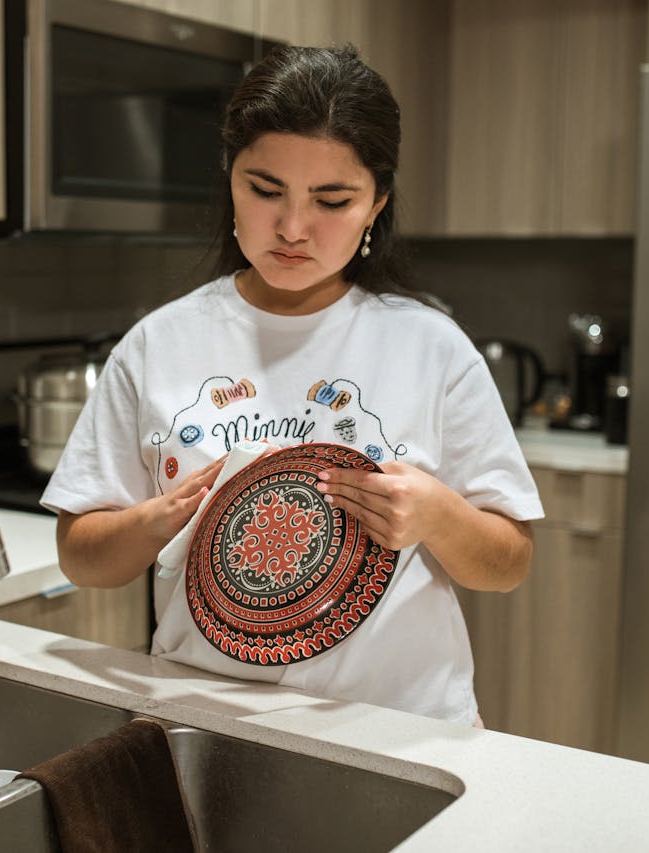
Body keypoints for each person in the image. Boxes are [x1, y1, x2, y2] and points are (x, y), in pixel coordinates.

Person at [41, 44, 543, 726]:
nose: (293, 227)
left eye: (332, 200)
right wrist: (154, 522)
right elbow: (80, 554)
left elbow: (508, 561)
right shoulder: (159, 344)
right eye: (265, 189)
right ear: (230, 179)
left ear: (377, 203)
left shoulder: (431, 348)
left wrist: (435, 514)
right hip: (206, 722)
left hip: (401, 730)